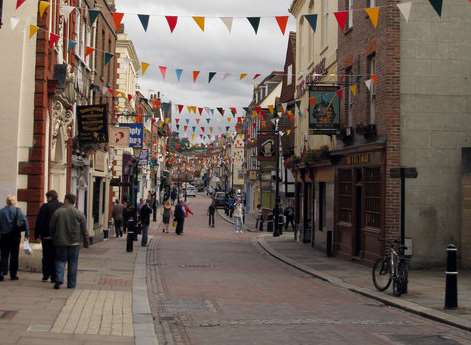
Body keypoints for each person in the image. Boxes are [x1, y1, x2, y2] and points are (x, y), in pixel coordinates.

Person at [49, 194, 89, 289]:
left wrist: (53, 236)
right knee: (73, 263)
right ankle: (71, 284)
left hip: (60, 242)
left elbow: (51, 227)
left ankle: (59, 279)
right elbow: (84, 229)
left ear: (66, 200)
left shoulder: (58, 212)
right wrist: (86, 241)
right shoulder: (79, 213)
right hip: (75, 243)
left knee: (60, 260)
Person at [34, 190, 62, 283]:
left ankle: (46, 275)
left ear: (49, 197)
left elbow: (40, 222)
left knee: (46, 256)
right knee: (56, 256)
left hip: (46, 236)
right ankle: (54, 276)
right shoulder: (61, 206)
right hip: (58, 237)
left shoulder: (45, 207)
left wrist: (37, 234)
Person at [0, 196, 29, 281]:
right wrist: (27, 234)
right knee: (14, 255)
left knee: (4, 255)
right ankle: (13, 274)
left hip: (4, 236)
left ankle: (2, 272)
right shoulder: (18, 211)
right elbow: (25, 221)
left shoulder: (1, 211)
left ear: (7, 202)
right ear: (14, 202)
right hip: (15, 236)